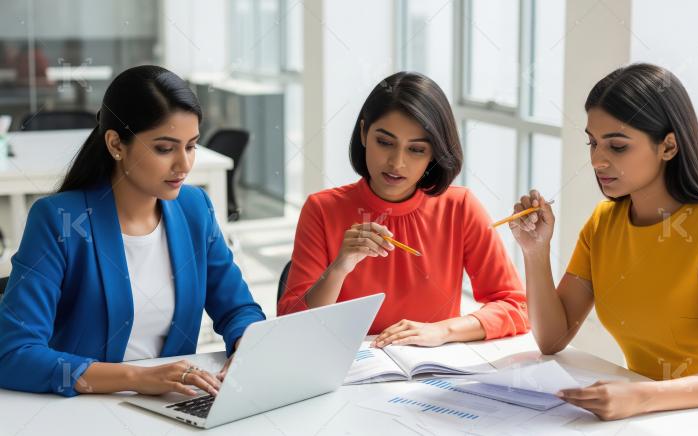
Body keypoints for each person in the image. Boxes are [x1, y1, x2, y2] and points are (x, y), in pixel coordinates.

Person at [511, 63, 698, 433]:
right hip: (655, 422)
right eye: (592, 142)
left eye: (617, 146)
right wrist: (535, 252)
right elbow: (552, 338)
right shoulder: (604, 223)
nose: (597, 160)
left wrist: (638, 397)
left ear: (668, 145)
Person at [0, 65, 266, 397]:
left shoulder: (194, 208)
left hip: (171, 407)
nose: (183, 165)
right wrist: (137, 379)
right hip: (82, 412)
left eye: (191, 146)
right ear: (116, 144)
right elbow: (14, 354)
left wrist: (245, 345)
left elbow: (238, 308)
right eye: (165, 149)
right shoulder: (59, 220)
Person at [278, 72, 529, 347]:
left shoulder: (460, 207)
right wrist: (339, 268)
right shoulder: (322, 209)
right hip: (349, 375)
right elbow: (291, 324)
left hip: (429, 372)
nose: (397, 163)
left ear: (435, 153)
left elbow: (515, 306)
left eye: (416, 150)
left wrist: (443, 331)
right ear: (363, 133)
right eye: (385, 143)